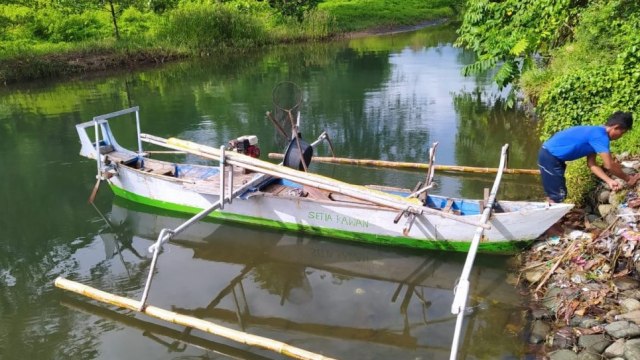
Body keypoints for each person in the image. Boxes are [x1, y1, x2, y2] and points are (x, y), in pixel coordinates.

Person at [538, 111, 640, 203]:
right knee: (557, 195)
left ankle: (549, 220)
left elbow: (592, 164)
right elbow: (609, 165)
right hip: (550, 157)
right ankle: (551, 223)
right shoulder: (600, 136)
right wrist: (628, 178)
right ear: (616, 127)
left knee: (555, 193)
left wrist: (609, 181)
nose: (620, 136)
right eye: (622, 133)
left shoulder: (596, 133)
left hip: (551, 156)